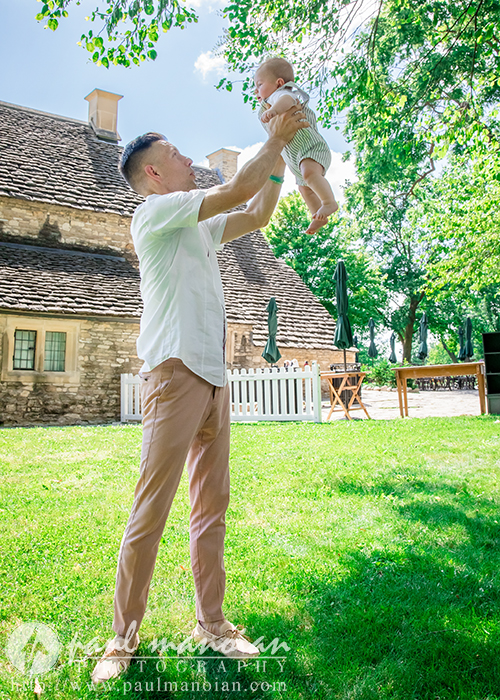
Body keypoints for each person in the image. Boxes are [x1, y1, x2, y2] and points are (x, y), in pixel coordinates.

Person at [91, 105, 308, 685]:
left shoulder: (197, 224)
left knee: (211, 509)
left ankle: (210, 623)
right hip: (172, 374)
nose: (189, 159)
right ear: (155, 174)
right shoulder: (154, 214)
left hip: (214, 377)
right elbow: (237, 184)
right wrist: (273, 135)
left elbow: (257, 208)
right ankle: (121, 636)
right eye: (177, 155)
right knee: (151, 510)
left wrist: (283, 155)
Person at [254, 57, 339, 235]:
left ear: (278, 83)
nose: (256, 90)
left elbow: (287, 101)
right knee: (304, 188)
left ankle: (329, 202)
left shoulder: (282, 93)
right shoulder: (270, 100)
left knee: (309, 174)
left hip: (310, 148)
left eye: (260, 84)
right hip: (297, 157)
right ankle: (317, 215)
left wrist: (274, 111)